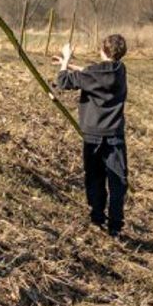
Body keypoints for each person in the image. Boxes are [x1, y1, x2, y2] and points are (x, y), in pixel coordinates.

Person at [56, 34, 129, 236]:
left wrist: (66, 60)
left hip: (93, 134)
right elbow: (94, 74)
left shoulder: (92, 74)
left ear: (101, 50)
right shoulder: (120, 70)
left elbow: (62, 81)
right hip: (115, 134)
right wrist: (70, 65)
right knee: (117, 181)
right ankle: (115, 224)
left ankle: (97, 217)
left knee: (95, 177)